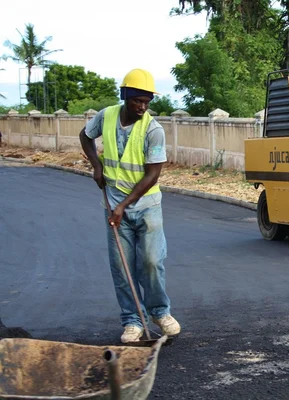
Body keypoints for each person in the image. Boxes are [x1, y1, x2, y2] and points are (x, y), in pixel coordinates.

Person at [79, 68, 180, 343]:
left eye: (147, 101)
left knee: (151, 261)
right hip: (113, 203)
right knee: (122, 267)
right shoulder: (107, 115)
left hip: (146, 206)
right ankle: (133, 321)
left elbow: (152, 175)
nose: (142, 106)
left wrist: (123, 205)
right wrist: (96, 166)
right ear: (124, 95)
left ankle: (160, 312)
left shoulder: (153, 129)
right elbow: (85, 136)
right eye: (137, 100)